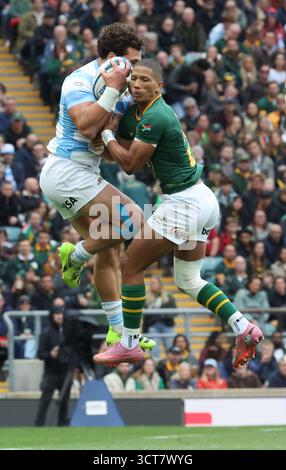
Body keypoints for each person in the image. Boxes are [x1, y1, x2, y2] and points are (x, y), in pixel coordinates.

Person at [92, 59, 263, 367]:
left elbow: (129, 165)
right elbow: (120, 150)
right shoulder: (136, 112)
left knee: (130, 263)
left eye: (146, 80)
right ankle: (242, 326)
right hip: (201, 199)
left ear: (160, 87)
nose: (137, 84)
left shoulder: (156, 115)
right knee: (187, 280)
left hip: (184, 203)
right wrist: (98, 140)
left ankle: (129, 343)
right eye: (133, 79)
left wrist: (106, 136)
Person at [39, 23, 154, 352]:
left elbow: (108, 142)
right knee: (134, 221)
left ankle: (117, 332)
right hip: (66, 172)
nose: (137, 70)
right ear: (114, 59)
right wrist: (113, 91)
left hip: (83, 173)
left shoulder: (124, 89)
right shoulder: (79, 80)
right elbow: (87, 125)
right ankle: (74, 257)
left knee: (107, 250)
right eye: (133, 62)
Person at [34, 305, 73, 426]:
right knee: (45, 400)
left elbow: (75, 349)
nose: (60, 316)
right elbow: (40, 354)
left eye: (61, 313)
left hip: (66, 371)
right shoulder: (46, 333)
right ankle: (39, 425)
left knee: (64, 401)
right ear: (52, 316)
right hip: (51, 372)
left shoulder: (69, 332)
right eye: (57, 313)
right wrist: (51, 354)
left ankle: (62, 424)